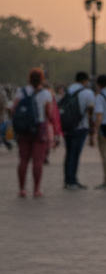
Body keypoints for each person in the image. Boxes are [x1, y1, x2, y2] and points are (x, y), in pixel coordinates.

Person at [13, 68, 55, 197]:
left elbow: (14, 109)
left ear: (29, 79)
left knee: (23, 160)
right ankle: (36, 189)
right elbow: (49, 114)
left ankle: (22, 189)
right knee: (38, 161)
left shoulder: (21, 92)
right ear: (42, 79)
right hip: (39, 128)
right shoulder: (46, 94)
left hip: (24, 129)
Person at [60, 71, 95, 189]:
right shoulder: (87, 92)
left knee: (69, 152)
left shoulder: (68, 90)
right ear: (84, 81)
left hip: (67, 125)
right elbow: (91, 111)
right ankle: (72, 180)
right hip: (80, 126)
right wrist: (92, 129)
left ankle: (67, 178)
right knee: (75, 154)